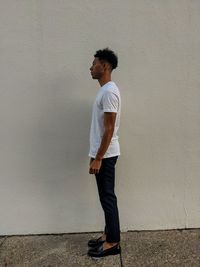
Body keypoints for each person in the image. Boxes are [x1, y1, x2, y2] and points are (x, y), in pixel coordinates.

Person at [87, 48, 121, 258]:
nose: (91, 67)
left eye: (94, 63)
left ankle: (113, 242)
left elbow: (110, 128)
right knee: (104, 197)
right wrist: (95, 155)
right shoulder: (105, 90)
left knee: (108, 197)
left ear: (105, 66)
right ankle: (109, 233)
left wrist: (98, 158)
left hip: (106, 155)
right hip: (102, 154)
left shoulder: (109, 91)